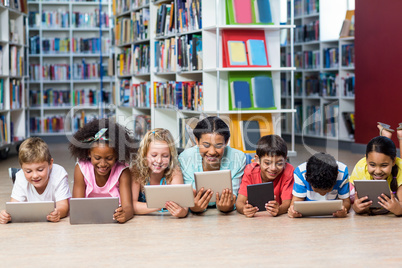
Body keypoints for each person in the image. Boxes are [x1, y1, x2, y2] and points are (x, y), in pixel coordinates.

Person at [69, 118, 136, 223]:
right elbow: (77, 205)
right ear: (88, 153)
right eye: (97, 158)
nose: (103, 164)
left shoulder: (123, 171)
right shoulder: (81, 168)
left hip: (114, 219)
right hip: (88, 219)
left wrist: (125, 214)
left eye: (109, 158)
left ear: (117, 155)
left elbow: (128, 207)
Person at [178, 116, 246, 213]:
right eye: (206, 145)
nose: (212, 152)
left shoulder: (238, 158)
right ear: (197, 141)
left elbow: (235, 198)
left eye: (218, 145)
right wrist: (193, 207)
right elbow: (186, 198)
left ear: (226, 142)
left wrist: (228, 206)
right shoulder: (185, 157)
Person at [0, 137, 71, 224]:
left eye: (40, 170)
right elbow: (13, 207)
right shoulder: (21, 176)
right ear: (22, 168)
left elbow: (63, 206)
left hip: (52, 223)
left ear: (50, 164)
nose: (35, 176)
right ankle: (16, 175)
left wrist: (58, 213)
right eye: (28, 171)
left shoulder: (59, 173)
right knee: (21, 179)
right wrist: (6, 215)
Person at [130, 128, 188, 218]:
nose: (159, 160)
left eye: (165, 156)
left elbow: (184, 207)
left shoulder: (174, 171)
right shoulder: (136, 171)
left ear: (171, 157)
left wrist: (182, 212)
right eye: (154, 155)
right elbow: (131, 206)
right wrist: (159, 204)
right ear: (144, 154)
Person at [236, 135, 294, 217]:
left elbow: (287, 202)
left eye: (279, 163)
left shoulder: (288, 171)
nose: (273, 168)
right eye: (267, 163)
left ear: (285, 160)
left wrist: (279, 210)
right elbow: (239, 202)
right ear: (257, 160)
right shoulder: (250, 171)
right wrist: (244, 209)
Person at [350, 136, 402, 216]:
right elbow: (356, 203)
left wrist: (398, 209)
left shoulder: (400, 169)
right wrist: (357, 207)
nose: (377, 171)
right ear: (366, 160)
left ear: (394, 161)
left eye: (384, 165)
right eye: (372, 165)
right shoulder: (361, 167)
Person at [288, 152, 350, 218]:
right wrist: (293, 211)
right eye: (316, 191)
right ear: (306, 176)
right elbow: (296, 201)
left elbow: (346, 201)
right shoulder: (300, 173)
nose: (322, 194)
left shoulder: (342, 172)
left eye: (328, 191)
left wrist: (343, 210)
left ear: (337, 175)